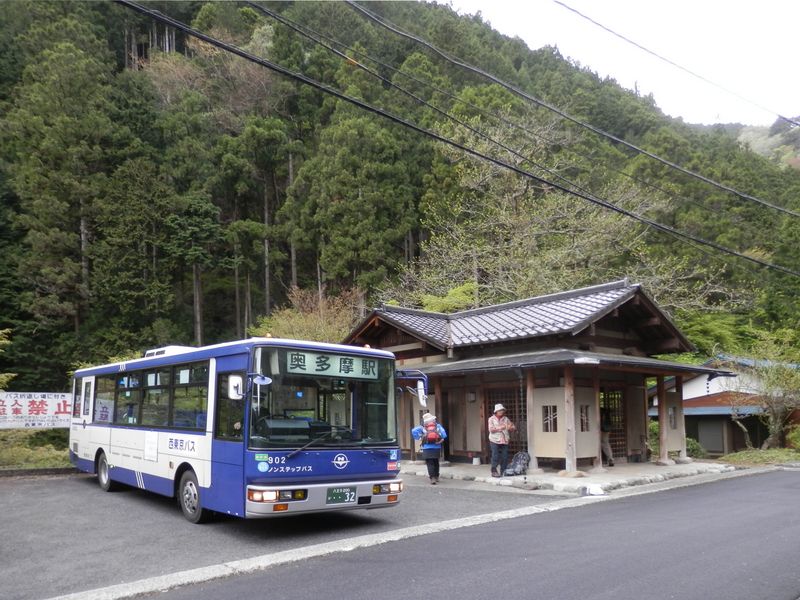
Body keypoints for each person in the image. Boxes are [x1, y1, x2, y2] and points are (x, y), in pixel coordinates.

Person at [412, 413, 447, 484]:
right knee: (436, 462)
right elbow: (444, 435)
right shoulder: (437, 426)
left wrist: (419, 438)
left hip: (427, 448)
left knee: (430, 463)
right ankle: (437, 476)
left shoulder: (422, 427)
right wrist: (439, 441)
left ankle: (432, 478)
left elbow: (413, 431)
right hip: (436, 447)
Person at [488, 403, 516, 477]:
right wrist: (502, 427)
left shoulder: (506, 419)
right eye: (500, 410)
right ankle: (494, 471)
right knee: (495, 455)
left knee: (505, 456)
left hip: (505, 439)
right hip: (494, 439)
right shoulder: (491, 419)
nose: (501, 412)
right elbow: (491, 430)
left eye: (502, 410)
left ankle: (503, 471)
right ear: (496, 411)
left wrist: (511, 428)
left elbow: (513, 427)